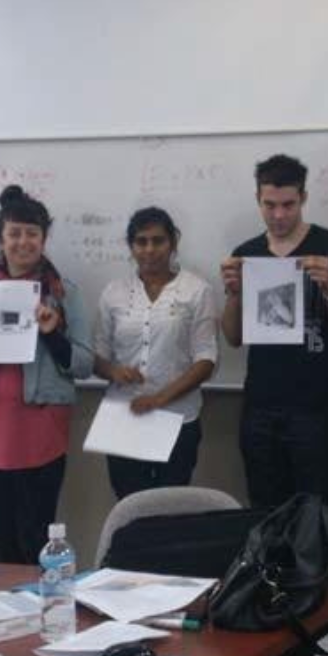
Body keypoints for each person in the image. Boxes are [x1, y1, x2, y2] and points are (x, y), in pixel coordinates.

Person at [0, 185, 92, 565]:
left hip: (41, 429)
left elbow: (83, 365)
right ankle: (6, 617)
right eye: (14, 234)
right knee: (1, 536)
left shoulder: (64, 294)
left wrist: (53, 334)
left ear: (44, 239)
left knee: (36, 536)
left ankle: (36, 613)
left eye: (32, 234)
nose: (22, 242)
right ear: (0, 239)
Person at [221, 154, 328, 509]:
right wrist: (234, 294)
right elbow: (234, 337)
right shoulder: (246, 254)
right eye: (270, 205)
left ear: (303, 198)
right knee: (266, 517)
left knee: (316, 519)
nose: (279, 215)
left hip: (315, 407)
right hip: (260, 406)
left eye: (288, 205)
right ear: (257, 199)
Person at [93, 207, 219, 500]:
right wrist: (113, 371)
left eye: (158, 240)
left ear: (172, 243)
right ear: (131, 246)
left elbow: (206, 360)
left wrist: (158, 399)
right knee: (128, 509)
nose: (150, 249)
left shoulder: (197, 291)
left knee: (169, 514)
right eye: (141, 241)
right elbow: (97, 356)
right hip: (124, 419)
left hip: (177, 419)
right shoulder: (114, 292)